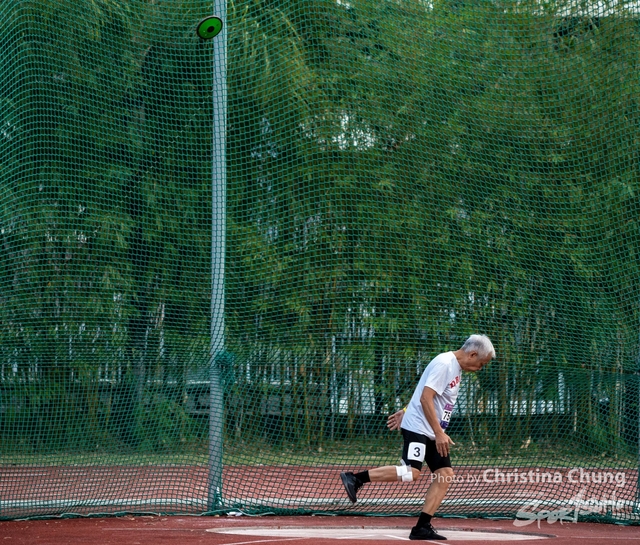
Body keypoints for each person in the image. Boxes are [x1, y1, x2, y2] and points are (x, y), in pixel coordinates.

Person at [340, 334, 495, 541]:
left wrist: (406, 409)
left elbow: (425, 388)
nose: (480, 368)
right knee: (411, 472)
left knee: (445, 474)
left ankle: (422, 527)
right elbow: (425, 397)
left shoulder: (455, 367)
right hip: (420, 427)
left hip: (430, 429)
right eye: (481, 363)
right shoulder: (445, 363)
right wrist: (438, 433)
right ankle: (355, 478)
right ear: (472, 354)